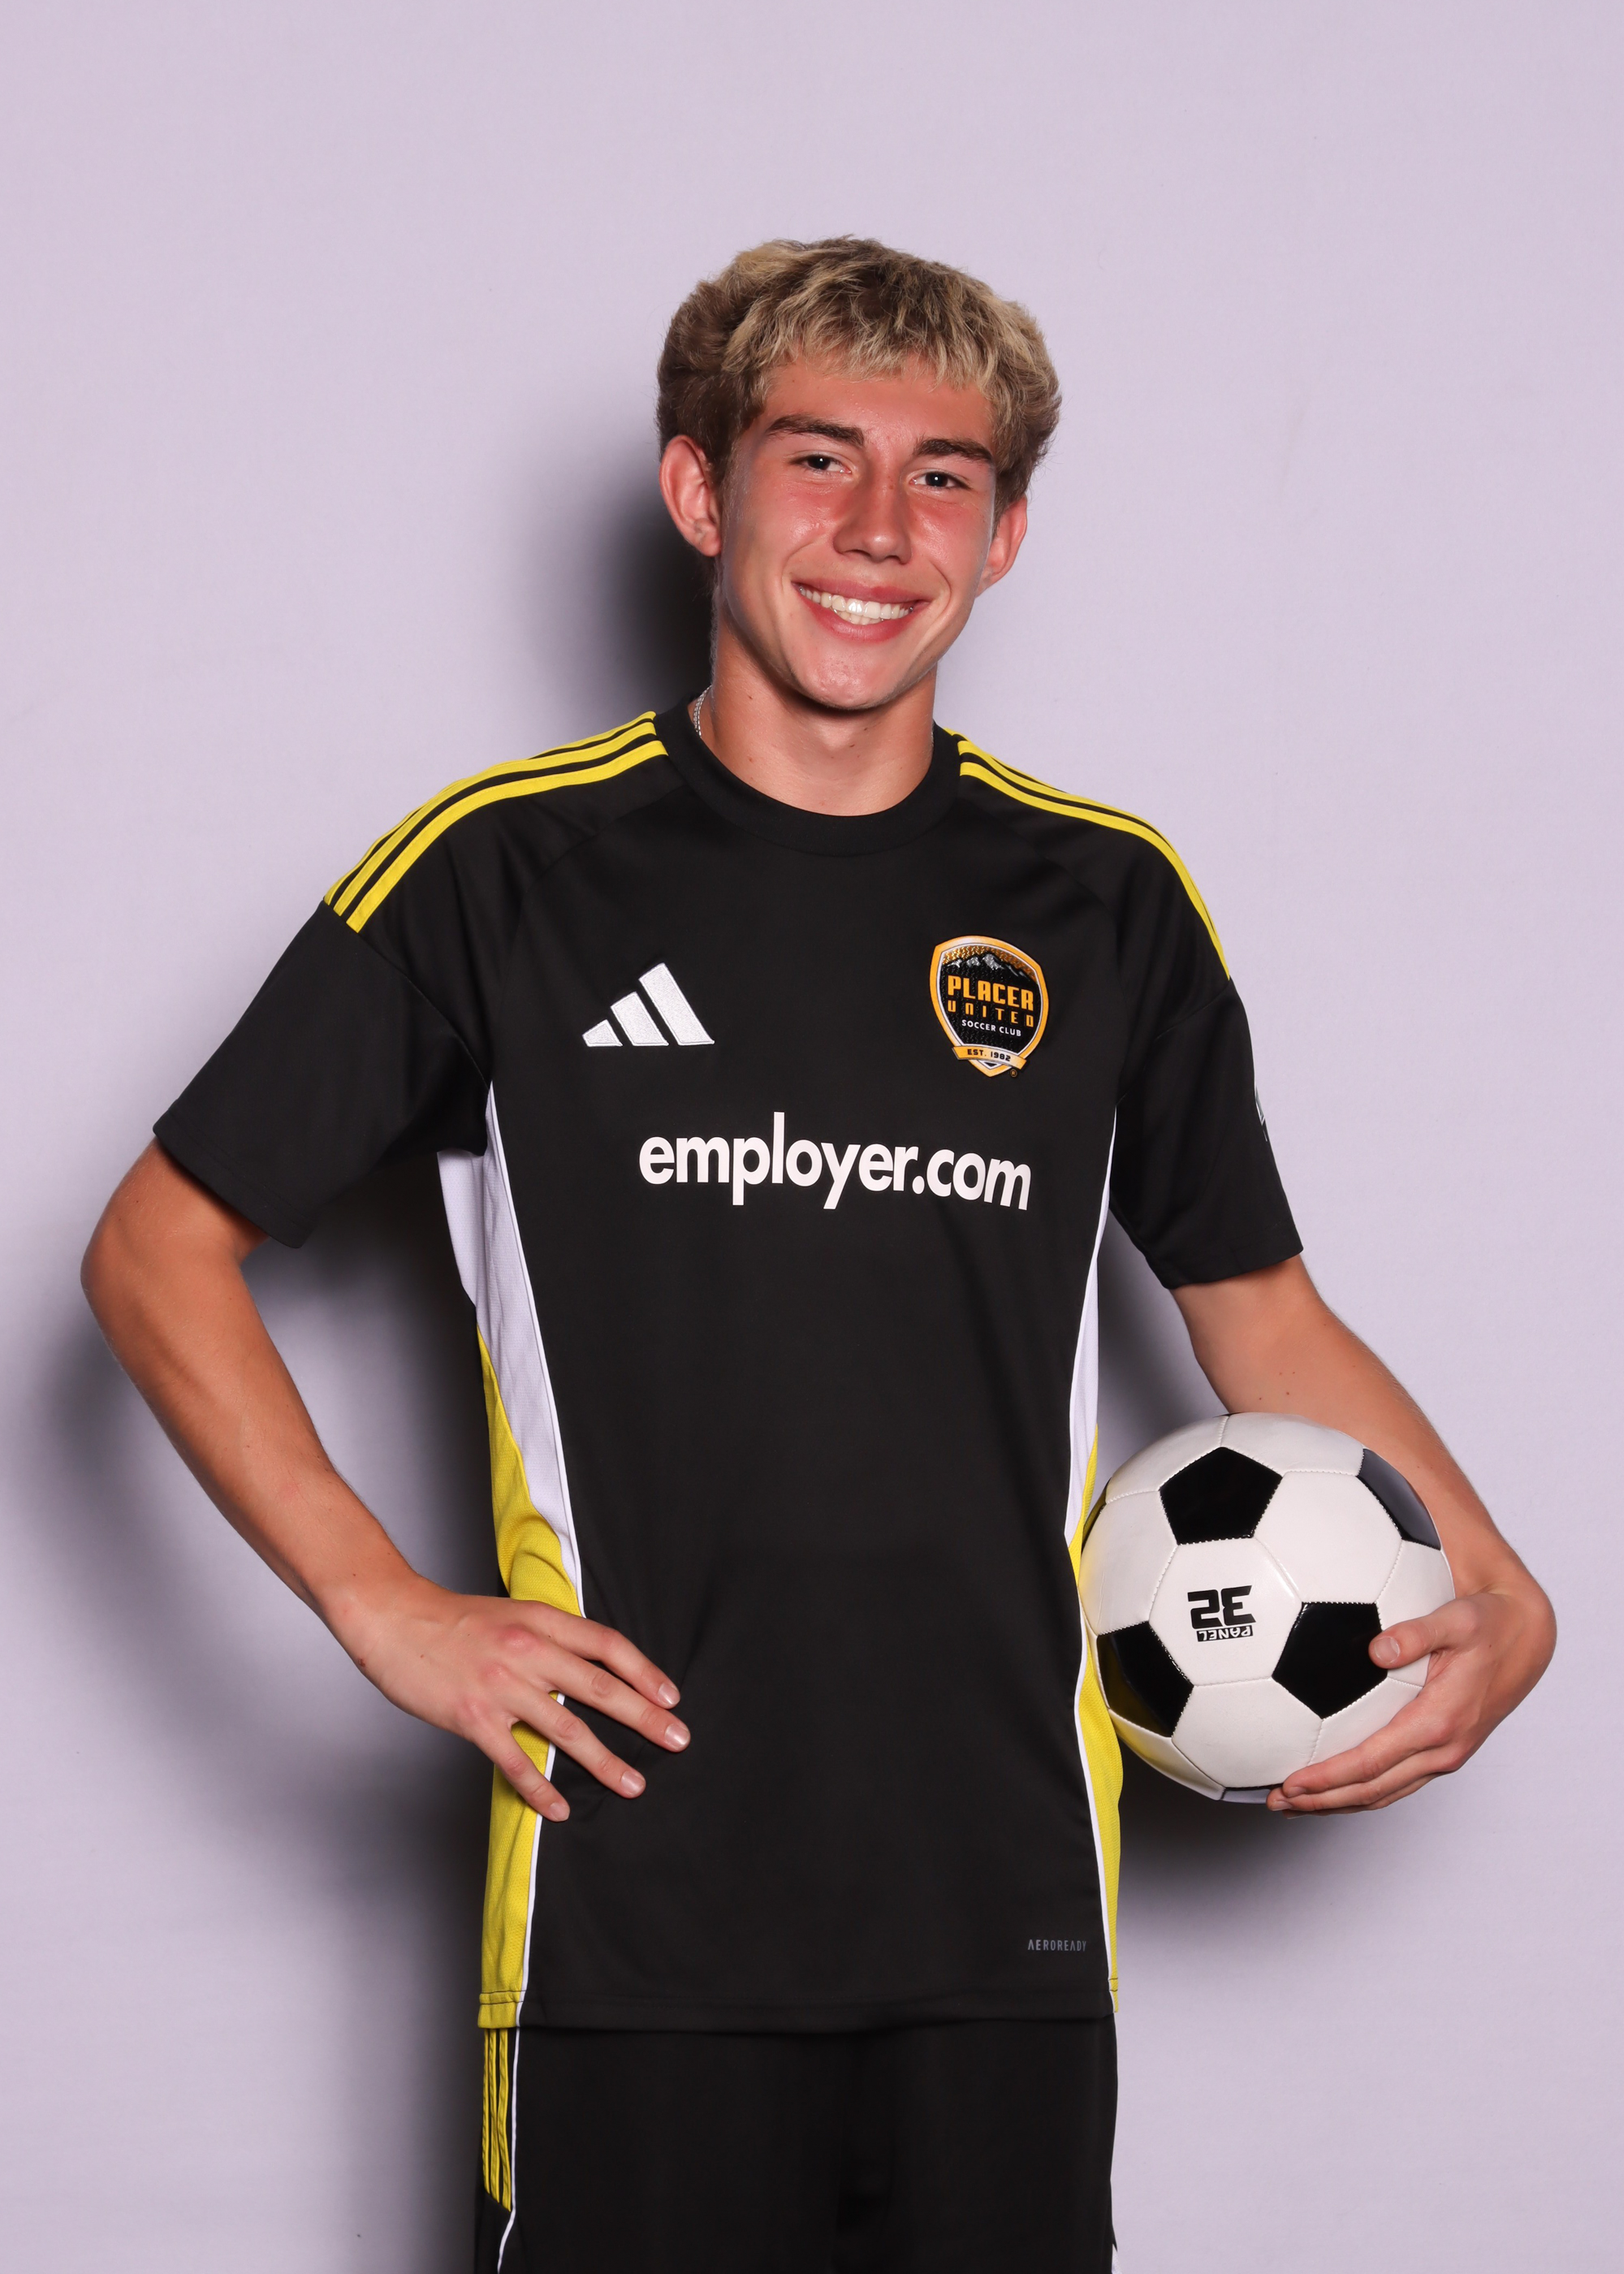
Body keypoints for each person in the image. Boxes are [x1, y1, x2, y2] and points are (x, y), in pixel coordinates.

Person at [83, 238, 1554, 2273]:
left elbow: (1259, 1307)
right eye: (817, 457)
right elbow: (157, 1244)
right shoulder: (506, 872)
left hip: (1007, 1914)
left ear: (1003, 535)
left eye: (944, 475)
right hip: (631, 1906)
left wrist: (1496, 1583)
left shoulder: (1104, 900)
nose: (879, 526)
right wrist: (384, 1603)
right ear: (701, 491)